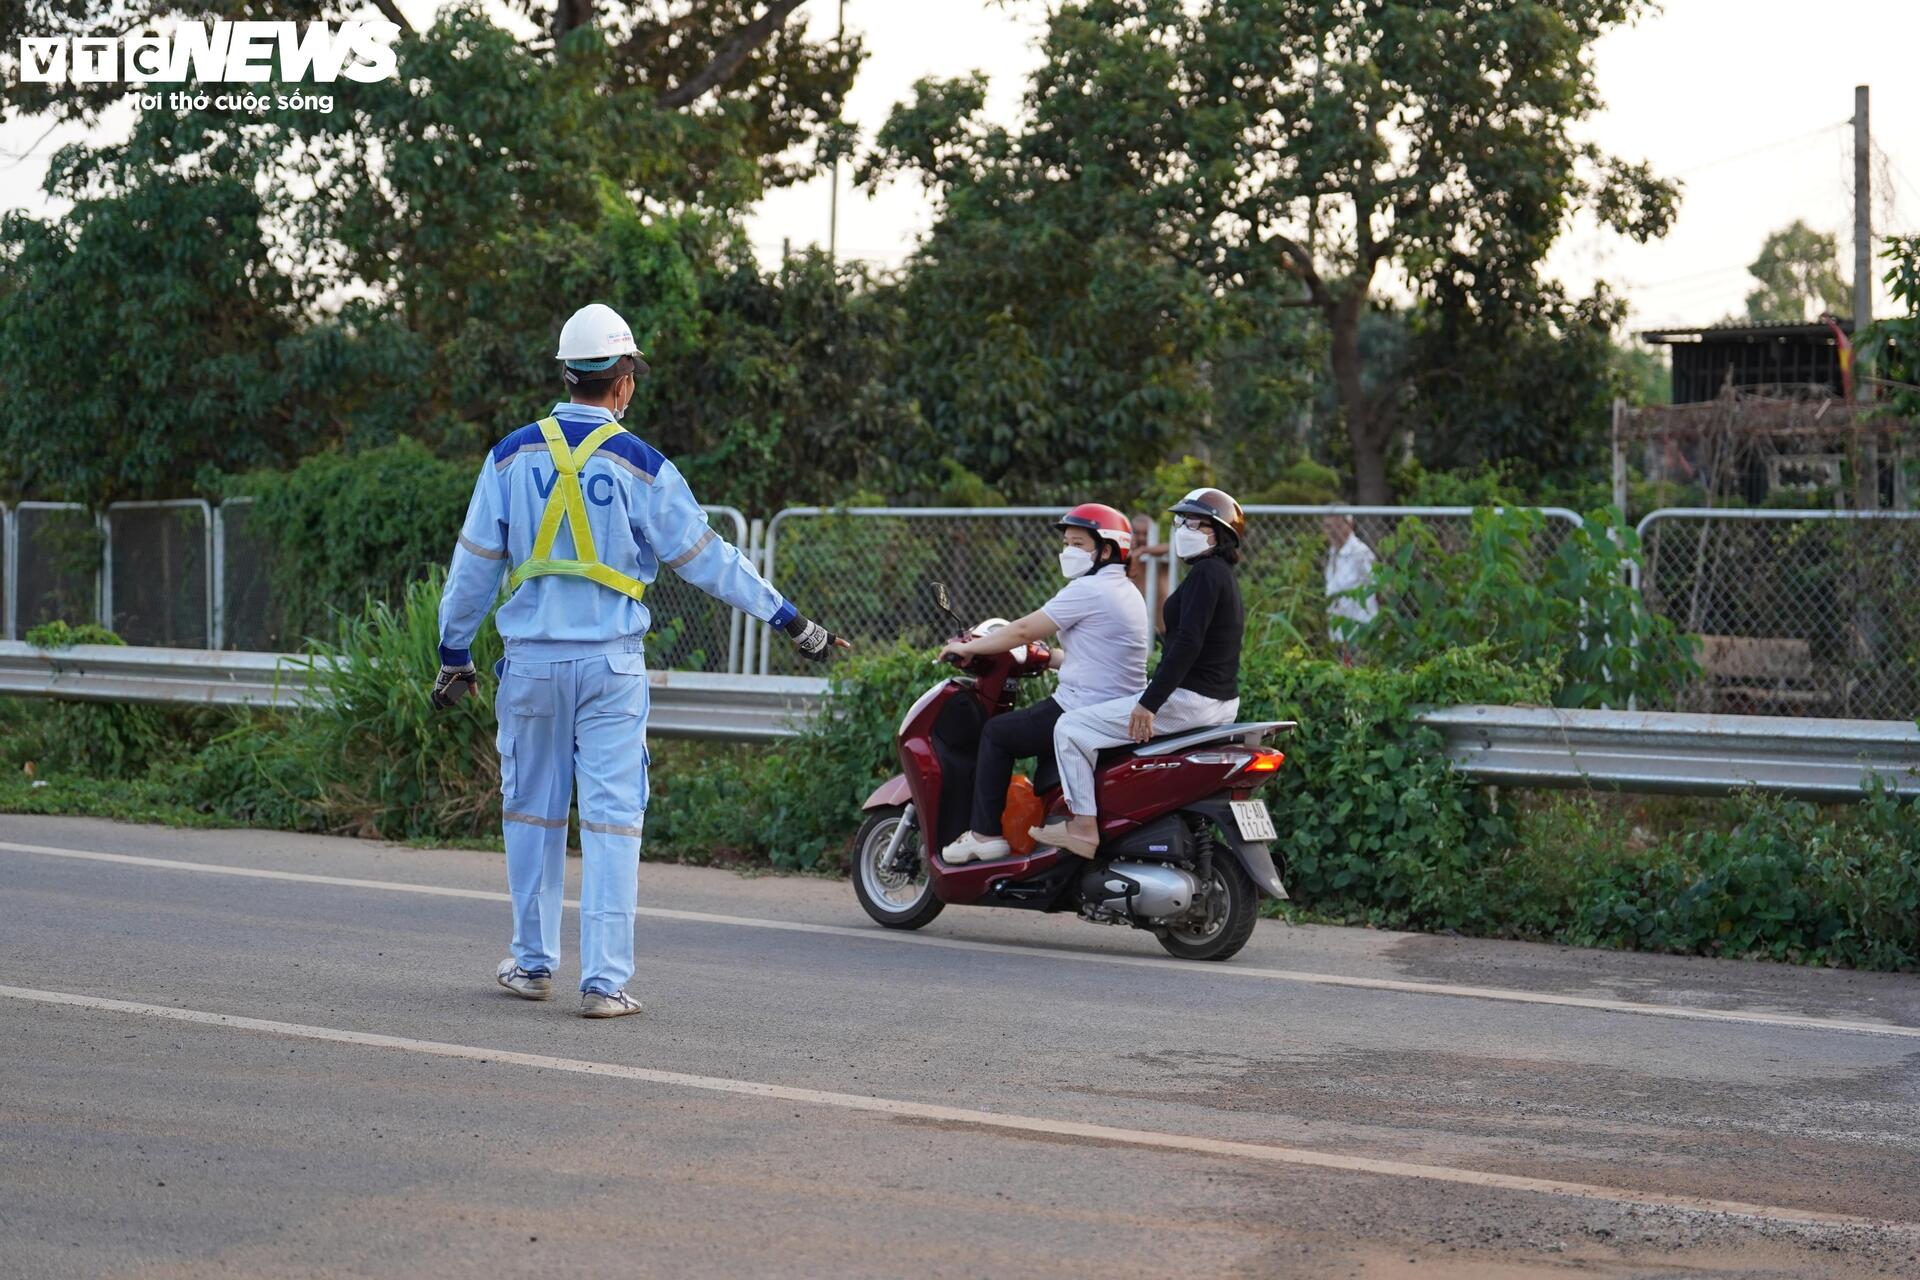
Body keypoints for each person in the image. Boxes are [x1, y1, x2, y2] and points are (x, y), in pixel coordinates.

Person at [431, 302, 847, 1019]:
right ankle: (603, 983)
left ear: (567, 375)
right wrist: (791, 621)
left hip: (528, 666)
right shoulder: (643, 466)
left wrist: (453, 655)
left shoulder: (509, 456)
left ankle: (532, 965)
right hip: (611, 670)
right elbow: (708, 561)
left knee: (529, 815)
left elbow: (471, 570)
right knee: (613, 821)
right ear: (623, 381)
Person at [1036, 488, 1246, 859]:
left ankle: (1083, 828)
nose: (1181, 529)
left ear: (1217, 533)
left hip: (1192, 699)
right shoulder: (1218, 574)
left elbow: (1187, 645)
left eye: (1192, 523)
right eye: (1179, 521)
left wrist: (1148, 703)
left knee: (1070, 728)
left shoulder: (1206, 575)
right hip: (1217, 701)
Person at [934, 504, 1149, 864]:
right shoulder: (1126, 591)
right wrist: (1049, 658)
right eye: (1066, 543)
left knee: (997, 734)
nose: (1067, 552)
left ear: (1107, 550)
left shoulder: (1089, 590)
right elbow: (1101, 657)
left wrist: (966, 647)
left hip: (1082, 705)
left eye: (1078, 544)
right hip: (1113, 702)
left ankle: (984, 834)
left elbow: (1021, 630)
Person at [1322, 513, 1378, 666]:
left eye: (1338, 526)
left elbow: (1377, 586)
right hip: (1338, 632)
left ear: (1350, 525)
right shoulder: (1332, 552)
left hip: (1359, 630)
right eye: (1328, 526)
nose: (1333, 531)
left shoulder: (1360, 553)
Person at [1124, 511, 1171, 632]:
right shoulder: (1127, 556)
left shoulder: (1161, 557)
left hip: (1160, 627)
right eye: (1137, 533)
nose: (1141, 538)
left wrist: (1144, 550)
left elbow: (1173, 548)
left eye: (1145, 533)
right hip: (1132, 627)